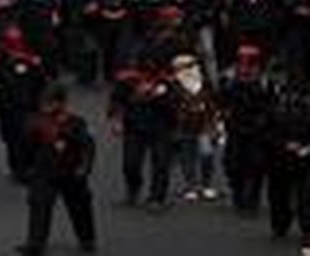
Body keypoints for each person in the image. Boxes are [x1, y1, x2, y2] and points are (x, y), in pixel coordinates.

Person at [16, 83, 97, 255]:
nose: (46, 107)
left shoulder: (76, 122)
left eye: (50, 103)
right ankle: (35, 243)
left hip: (71, 172)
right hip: (44, 172)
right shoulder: (34, 121)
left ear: (61, 103)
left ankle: (87, 238)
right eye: (44, 102)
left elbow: (88, 146)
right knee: (39, 205)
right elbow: (25, 147)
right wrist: (25, 168)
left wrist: (85, 167)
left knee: (80, 207)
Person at [109, 54, 176, 212]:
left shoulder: (165, 84)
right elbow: (116, 101)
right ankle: (133, 190)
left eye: (150, 72)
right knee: (130, 163)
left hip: (160, 127)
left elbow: (173, 107)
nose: (146, 76)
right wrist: (116, 120)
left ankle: (157, 197)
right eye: (143, 71)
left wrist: (156, 96)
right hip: (134, 126)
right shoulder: (127, 83)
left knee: (161, 163)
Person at [220, 44, 273, 214]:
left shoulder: (265, 80)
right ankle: (238, 195)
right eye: (242, 60)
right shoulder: (229, 78)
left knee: (256, 165)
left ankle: (252, 200)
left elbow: (271, 105)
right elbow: (221, 100)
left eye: (250, 61)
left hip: (258, 129)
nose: (246, 65)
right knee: (234, 164)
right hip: (235, 127)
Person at [0, 25, 47, 182]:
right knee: (11, 136)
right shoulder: (0, 60)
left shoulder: (32, 60)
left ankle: (28, 167)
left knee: (30, 136)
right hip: (8, 105)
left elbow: (42, 79)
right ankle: (18, 168)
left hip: (30, 104)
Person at [267, 68, 310, 252]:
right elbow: (267, 128)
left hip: (306, 153)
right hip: (280, 153)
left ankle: (307, 228)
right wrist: (284, 144)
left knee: (306, 195)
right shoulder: (275, 102)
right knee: (279, 193)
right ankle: (281, 223)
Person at [170, 52, 220, 201]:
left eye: (190, 66)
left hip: (204, 123)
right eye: (182, 67)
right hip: (184, 125)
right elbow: (170, 106)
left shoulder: (205, 83)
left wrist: (215, 123)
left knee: (207, 154)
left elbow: (213, 103)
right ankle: (190, 186)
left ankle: (206, 185)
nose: (187, 70)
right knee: (187, 156)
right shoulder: (174, 86)